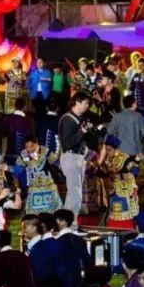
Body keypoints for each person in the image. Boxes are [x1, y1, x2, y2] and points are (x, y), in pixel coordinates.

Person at [59, 93, 92, 221]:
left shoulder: (77, 119)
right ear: (77, 102)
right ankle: (71, 226)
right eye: (85, 103)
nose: (87, 106)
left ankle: (66, 224)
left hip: (77, 158)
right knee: (75, 195)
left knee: (72, 195)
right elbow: (68, 143)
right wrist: (82, 131)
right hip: (71, 157)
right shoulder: (68, 119)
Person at [18, 135, 61, 214]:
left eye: (31, 146)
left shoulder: (45, 151)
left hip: (48, 185)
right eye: (26, 147)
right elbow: (19, 166)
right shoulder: (23, 153)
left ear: (36, 143)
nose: (28, 149)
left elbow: (55, 162)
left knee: (51, 210)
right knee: (33, 212)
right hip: (33, 186)